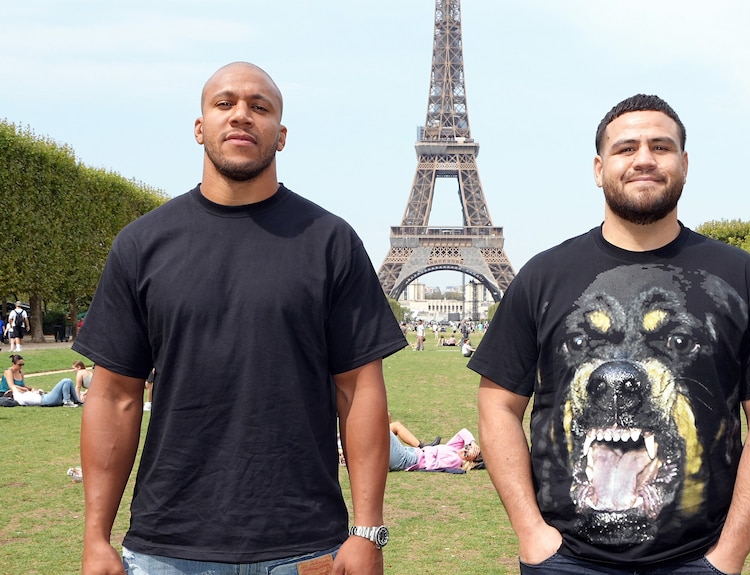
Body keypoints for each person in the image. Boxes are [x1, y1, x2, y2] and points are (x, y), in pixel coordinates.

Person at [73, 62, 407, 575]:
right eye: (224, 103)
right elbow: (114, 395)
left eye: (260, 106)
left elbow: (359, 388)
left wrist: (367, 530)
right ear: (200, 126)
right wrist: (95, 537)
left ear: (282, 134)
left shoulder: (332, 243)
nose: (242, 116)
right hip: (168, 547)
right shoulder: (140, 245)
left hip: (305, 545)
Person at [469, 94, 750, 575]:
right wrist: (532, 534)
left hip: (698, 561)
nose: (644, 159)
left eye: (661, 146)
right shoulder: (541, 277)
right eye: (626, 148)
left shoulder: (739, 278)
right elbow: (498, 403)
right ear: (598, 167)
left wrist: (727, 555)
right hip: (564, 561)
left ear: (684, 163)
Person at [389, 428, 482, 473]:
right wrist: (472, 443)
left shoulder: (456, 460)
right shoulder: (454, 449)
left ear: (468, 461)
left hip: (408, 460)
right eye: (467, 447)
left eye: (466, 454)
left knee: (388, 426)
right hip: (409, 452)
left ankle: (422, 445)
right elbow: (463, 432)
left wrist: (429, 449)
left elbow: (432, 466)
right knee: (389, 423)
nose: (464, 450)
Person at [1, 354, 82, 406]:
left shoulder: (20, 372)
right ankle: (72, 401)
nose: (21, 366)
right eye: (19, 365)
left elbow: (23, 385)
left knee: (67, 381)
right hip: (7, 392)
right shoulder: (9, 372)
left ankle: (75, 401)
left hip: (35, 395)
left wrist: (31, 389)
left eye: (23, 364)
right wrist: (25, 390)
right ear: (13, 364)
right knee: (66, 381)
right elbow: (12, 386)